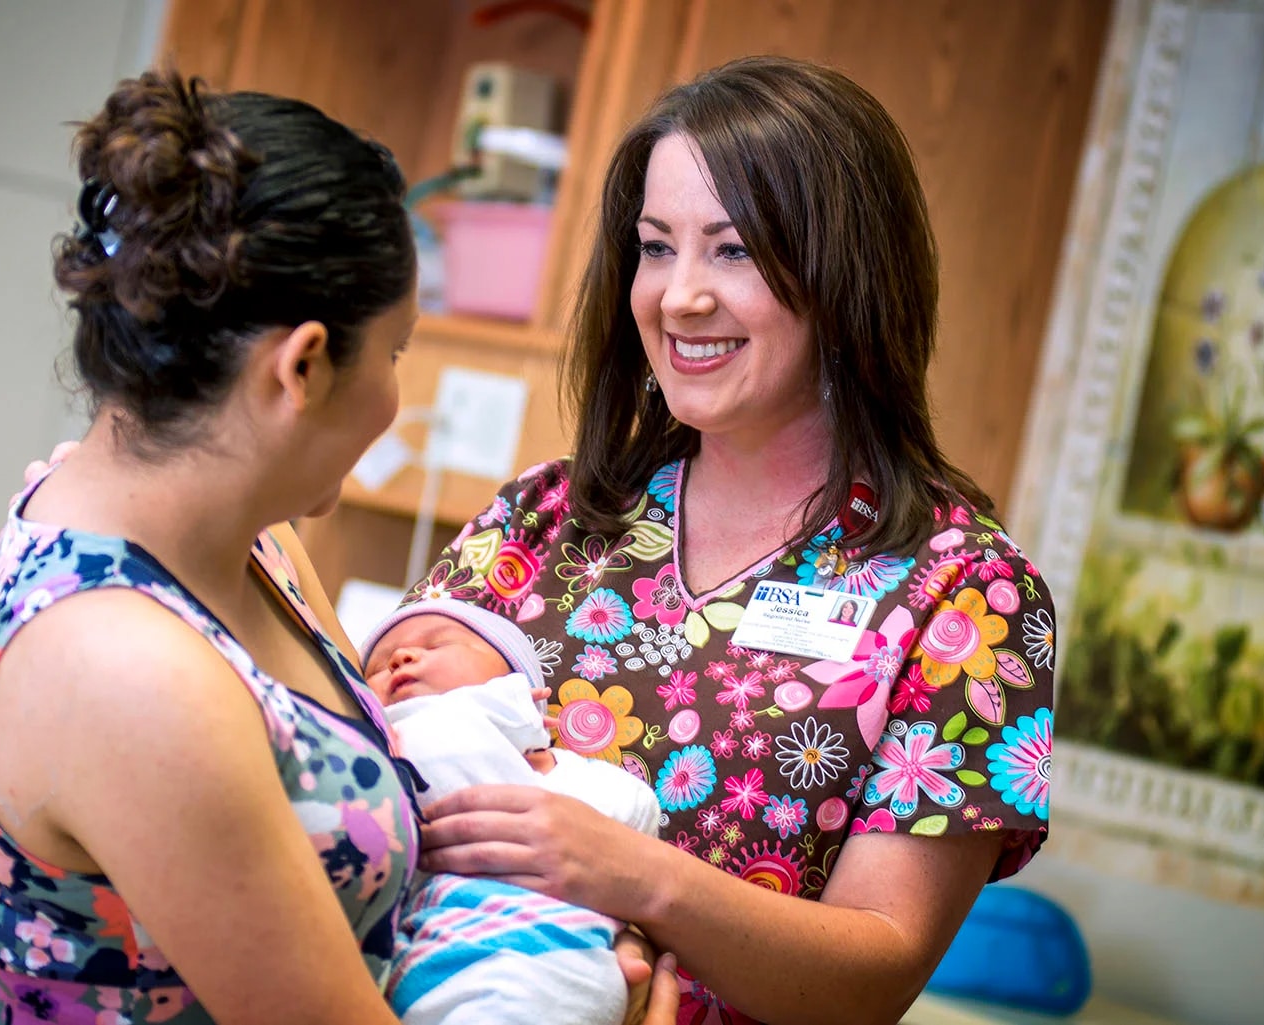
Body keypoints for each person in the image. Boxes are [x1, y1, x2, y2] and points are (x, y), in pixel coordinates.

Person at [0, 69, 677, 1025]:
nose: (395, 394)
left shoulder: (232, 535)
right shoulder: (131, 677)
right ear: (305, 364)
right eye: (397, 353)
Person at [403, 56, 1060, 1025]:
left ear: (847, 275)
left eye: (734, 250)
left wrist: (638, 877)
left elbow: (875, 966)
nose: (678, 297)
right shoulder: (544, 521)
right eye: (657, 247)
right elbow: (391, 752)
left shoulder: (965, 595)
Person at [357, 600, 662, 1025]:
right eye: (374, 667)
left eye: (438, 643)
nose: (400, 658)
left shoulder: (584, 778)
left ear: (520, 686)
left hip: (563, 954)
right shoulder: (390, 741)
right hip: (435, 953)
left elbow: (634, 820)